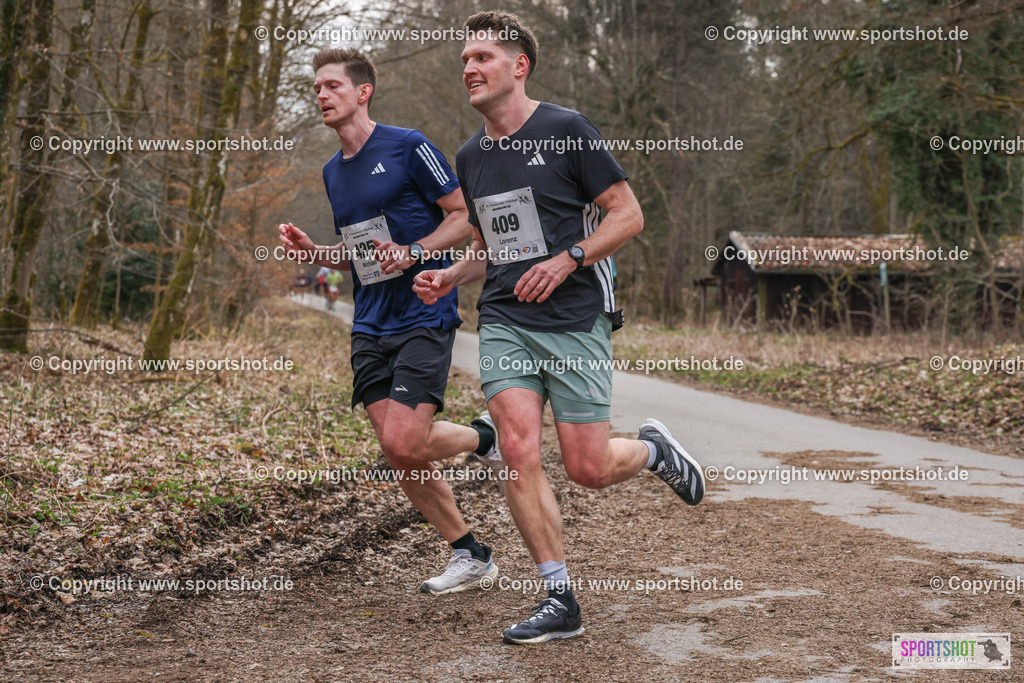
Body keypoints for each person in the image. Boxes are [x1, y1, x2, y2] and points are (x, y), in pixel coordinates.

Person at [413, 11, 705, 644]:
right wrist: (451, 275)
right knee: (517, 450)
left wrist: (571, 256)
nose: (469, 68)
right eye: (464, 59)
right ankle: (557, 595)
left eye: (482, 57)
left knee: (588, 468)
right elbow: (495, 240)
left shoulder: (567, 130)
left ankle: (653, 450)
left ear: (518, 67)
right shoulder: (471, 155)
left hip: (574, 317)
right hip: (505, 319)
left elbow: (628, 216)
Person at [277, 48, 504, 595]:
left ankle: (482, 436)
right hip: (369, 321)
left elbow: (464, 217)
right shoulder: (333, 171)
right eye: (317, 90)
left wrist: (414, 251)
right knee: (398, 449)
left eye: (332, 86)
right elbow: (361, 253)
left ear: (363, 92)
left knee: (405, 442)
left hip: (424, 311)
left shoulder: (407, 146)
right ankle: (470, 554)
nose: (322, 96)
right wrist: (318, 254)